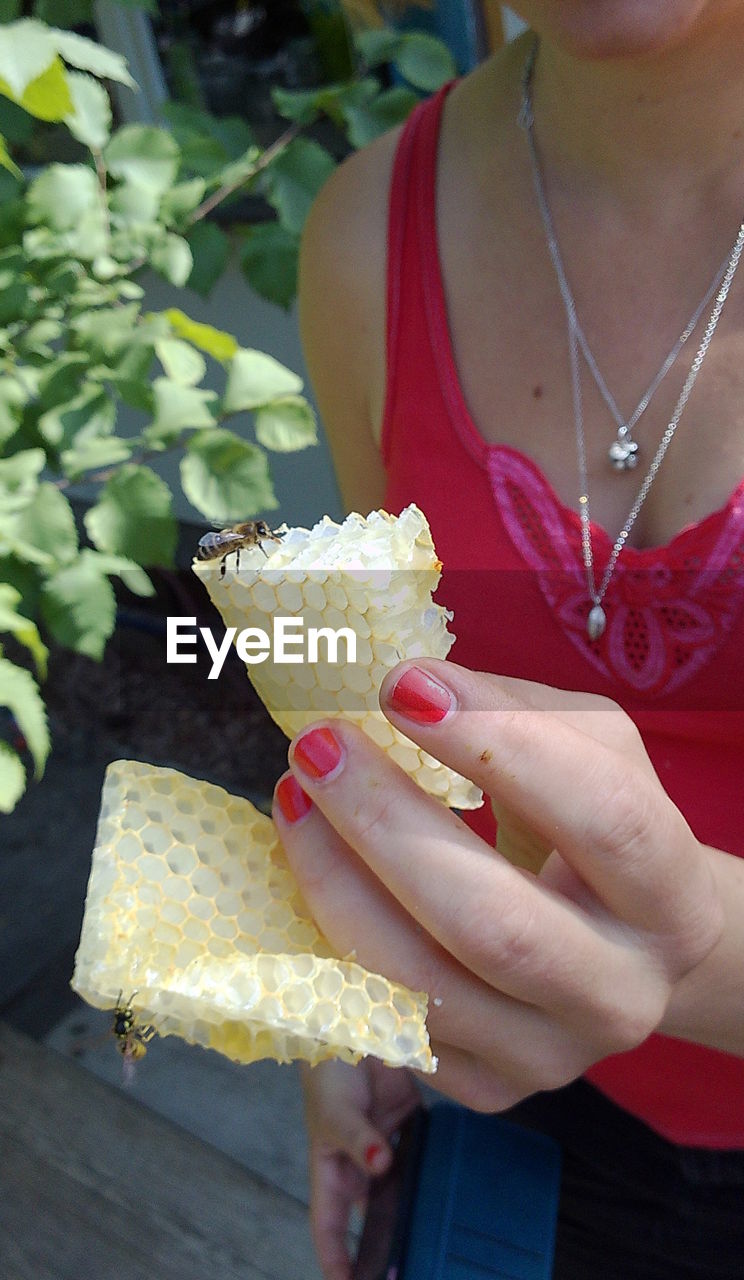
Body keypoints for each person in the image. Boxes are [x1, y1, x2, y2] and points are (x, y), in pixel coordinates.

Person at [269, 3, 744, 1277]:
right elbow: (382, 700)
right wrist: (358, 996)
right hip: (528, 1122)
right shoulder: (368, 235)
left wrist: (695, 954)